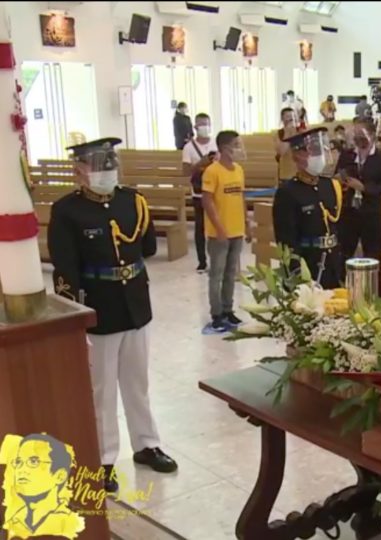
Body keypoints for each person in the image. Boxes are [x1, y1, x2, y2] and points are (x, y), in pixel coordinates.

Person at [49, 138, 177, 494]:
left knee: (137, 382)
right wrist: (75, 314)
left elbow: (147, 246)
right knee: (102, 388)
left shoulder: (131, 200)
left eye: (110, 162)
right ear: (78, 170)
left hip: (135, 302)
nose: (106, 170)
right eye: (97, 164)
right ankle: (103, 459)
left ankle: (146, 444)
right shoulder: (68, 211)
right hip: (98, 307)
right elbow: (65, 267)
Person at [272, 128, 342, 289]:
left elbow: (338, 229)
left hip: (332, 266)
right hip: (307, 266)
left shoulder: (330, 185)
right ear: (297, 155)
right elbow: (286, 240)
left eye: (320, 151)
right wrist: (297, 275)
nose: (318, 157)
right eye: (313, 152)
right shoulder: (288, 192)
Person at [203, 130, 249, 333]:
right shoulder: (212, 171)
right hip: (218, 232)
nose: (239, 148)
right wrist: (219, 227)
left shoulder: (238, 169)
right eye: (236, 144)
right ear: (224, 148)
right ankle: (217, 313)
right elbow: (207, 200)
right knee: (217, 274)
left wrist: (246, 223)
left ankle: (228, 309)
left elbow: (241, 197)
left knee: (231, 273)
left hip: (236, 229)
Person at [335, 123, 381, 269]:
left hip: (371, 214)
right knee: (343, 253)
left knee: (373, 255)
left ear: (371, 136)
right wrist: (341, 180)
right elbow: (338, 173)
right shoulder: (347, 155)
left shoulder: (380, 158)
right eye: (356, 135)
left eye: (362, 135)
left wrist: (363, 188)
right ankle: (342, 287)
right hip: (348, 212)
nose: (358, 138)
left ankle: (373, 289)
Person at [181, 112, 218, 273]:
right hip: (199, 192)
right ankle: (202, 260)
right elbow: (185, 171)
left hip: (216, 191)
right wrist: (200, 164)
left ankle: (217, 259)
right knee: (200, 227)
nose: (204, 127)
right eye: (201, 124)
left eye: (206, 123)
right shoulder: (189, 147)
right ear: (195, 126)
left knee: (217, 225)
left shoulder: (216, 144)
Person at [275, 108, 300, 183]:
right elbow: (281, 152)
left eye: (293, 116)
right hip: (286, 174)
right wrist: (288, 132)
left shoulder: (300, 131)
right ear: (282, 119)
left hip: (301, 173)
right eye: (288, 116)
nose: (291, 118)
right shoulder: (279, 133)